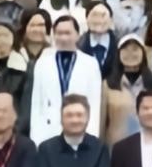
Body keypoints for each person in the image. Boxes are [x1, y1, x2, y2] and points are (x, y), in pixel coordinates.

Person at [29, 16, 103, 145]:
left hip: (79, 127)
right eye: (59, 33)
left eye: (67, 33)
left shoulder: (90, 64)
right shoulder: (42, 63)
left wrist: (91, 137)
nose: (63, 38)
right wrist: (36, 138)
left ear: (77, 35)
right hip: (48, 132)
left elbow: (94, 103)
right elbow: (36, 104)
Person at [101, 35, 152, 145]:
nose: (130, 54)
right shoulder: (108, 85)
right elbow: (101, 121)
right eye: (125, 49)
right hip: (116, 145)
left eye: (135, 49)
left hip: (148, 144)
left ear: (143, 53)